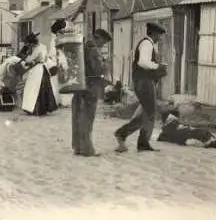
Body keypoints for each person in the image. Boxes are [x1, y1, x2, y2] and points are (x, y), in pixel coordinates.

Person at [114, 22, 168, 153]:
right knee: (150, 112)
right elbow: (142, 62)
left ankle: (133, 138)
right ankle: (129, 136)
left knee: (147, 111)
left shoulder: (149, 44)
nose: (160, 38)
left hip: (145, 81)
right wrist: (158, 66)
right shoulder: (147, 44)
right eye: (159, 35)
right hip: (144, 82)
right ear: (154, 33)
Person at [72, 28, 112, 157]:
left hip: (79, 85)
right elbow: (97, 70)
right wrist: (106, 64)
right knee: (88, 118)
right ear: (98, 38)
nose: (103, 45)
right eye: (103, 42)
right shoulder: (93, 50)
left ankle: (77, 147)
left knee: (78, 116)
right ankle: (87, 149)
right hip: (91, 87)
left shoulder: (82, 47)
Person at [21, 33, 58, 116]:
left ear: (32, 43)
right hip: (44, 68)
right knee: (43, 88)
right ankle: (44, 108)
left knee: (33, 88)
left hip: (37, 70)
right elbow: (46, 58)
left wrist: (27, 57)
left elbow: (29, 60)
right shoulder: (43, 46)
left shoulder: (37, 49)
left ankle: (35, 109)